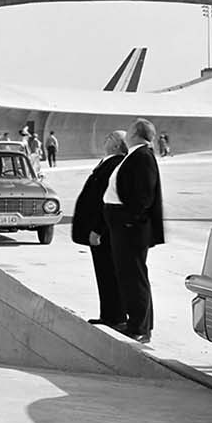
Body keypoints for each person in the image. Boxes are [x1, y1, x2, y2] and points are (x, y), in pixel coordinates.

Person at [102, 118, 164, 343]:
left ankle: (140, 327)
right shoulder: (135, 154)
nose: (126, 133)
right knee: (129, 276)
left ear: (137, 134)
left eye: (129, 129)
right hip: (123, 227)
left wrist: (129, 221)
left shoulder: (143, 156)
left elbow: (144, 197)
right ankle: (137, 321)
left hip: (130, 229)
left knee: (134, 277)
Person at [71, 130, 128, 328]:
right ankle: (109, 314)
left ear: (118, 144)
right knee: (103, 273)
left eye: (111, 137)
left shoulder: (116, 163)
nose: (107, 138)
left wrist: (98, 228)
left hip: (104, 231)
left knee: (110, 273)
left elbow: (107, 200)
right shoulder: (107, 161)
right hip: (98, 229)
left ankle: (117, 316)